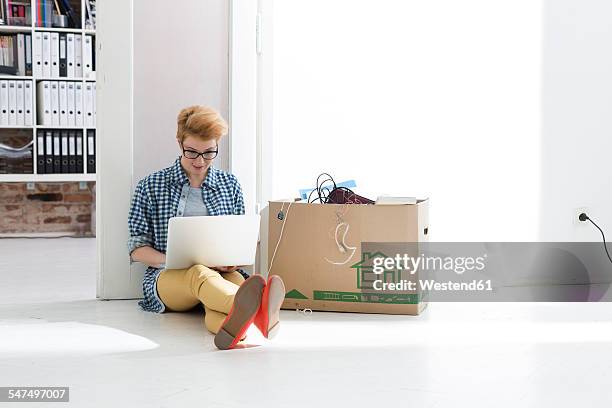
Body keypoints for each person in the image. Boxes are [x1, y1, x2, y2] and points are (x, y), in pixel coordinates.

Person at [127, 105, 285, 350]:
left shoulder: (229, 184)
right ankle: (261, 312)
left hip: (219, 276)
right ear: (180, 143)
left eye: (209, 153)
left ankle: (234, 331)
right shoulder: (150, 185)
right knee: (199, 273)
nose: (200, 161)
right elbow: (137, 249)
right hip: (169, 279)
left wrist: (232, 261)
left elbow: (238, 239)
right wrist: (172, 260)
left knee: (232, 284)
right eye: (192, 152)